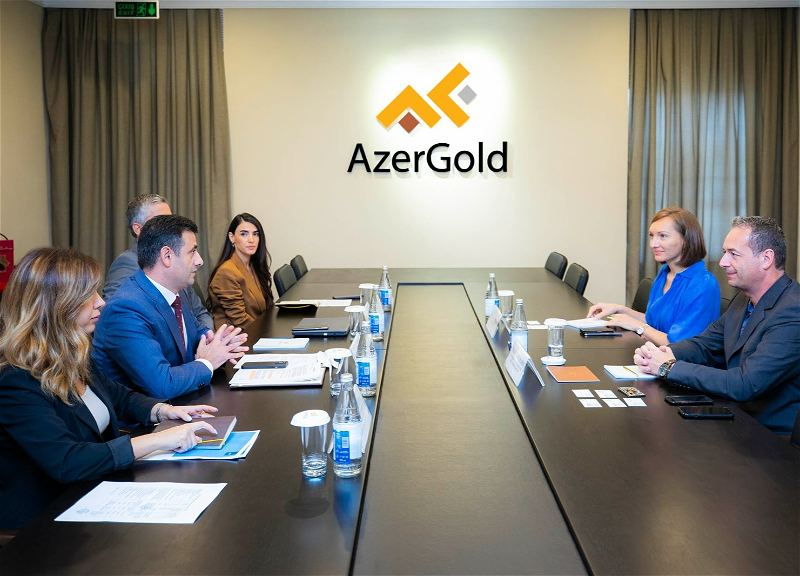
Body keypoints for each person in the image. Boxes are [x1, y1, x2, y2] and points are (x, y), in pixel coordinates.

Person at [0, 247, 219, 530]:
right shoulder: (15, 380)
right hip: (45, 524)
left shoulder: (72, 351)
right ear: (55, 306)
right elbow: (68, 460)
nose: (101, 302)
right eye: (88, 295)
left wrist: (164, 411)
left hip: (95, 495)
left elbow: (117, 396)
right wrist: (159, 440)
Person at [634, 216, 800, 435]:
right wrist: (662, 353)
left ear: (766, 259)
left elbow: (745, 384)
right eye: (724, 252)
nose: (723, 262)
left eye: (733, 254)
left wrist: (668, 367)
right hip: (733, 417)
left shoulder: (793, 311)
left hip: (769, 438)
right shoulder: (743, 299)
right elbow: (705, 344)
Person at [92, 215, 249, 399]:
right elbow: (162, 385)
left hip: (183, 402)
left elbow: (196, 334)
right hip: (146, 415)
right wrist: (208, 362)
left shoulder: (176, 290)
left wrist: (216, 343)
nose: (199, 260)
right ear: (167, 256)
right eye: (192, 252)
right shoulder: (125, 310)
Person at [587, 207, 721, 345]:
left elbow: (679, 344)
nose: (653, 244)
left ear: (686, 240)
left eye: (663, 236)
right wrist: (619, 309)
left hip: (679, 357)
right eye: (651, 235)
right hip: (655, 353)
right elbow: (652, 322)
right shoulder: (665, 272)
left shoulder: (702, 284)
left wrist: (637, 326)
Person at [103, 194, 213, 330]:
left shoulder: (179, 265)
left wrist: (206, 337)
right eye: (160, 221)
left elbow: (200, 313)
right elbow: (114, 316)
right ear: (138, 229)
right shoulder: (127, 262)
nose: (171, 226)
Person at [207, 213, 275, 330]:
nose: (251, 240)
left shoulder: (253, 266)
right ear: (232, 237)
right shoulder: (226, 272)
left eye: (255, 234)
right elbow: (239, 320)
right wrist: (270, 332)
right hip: (237, 336)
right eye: (244, 234)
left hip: (255, 330)